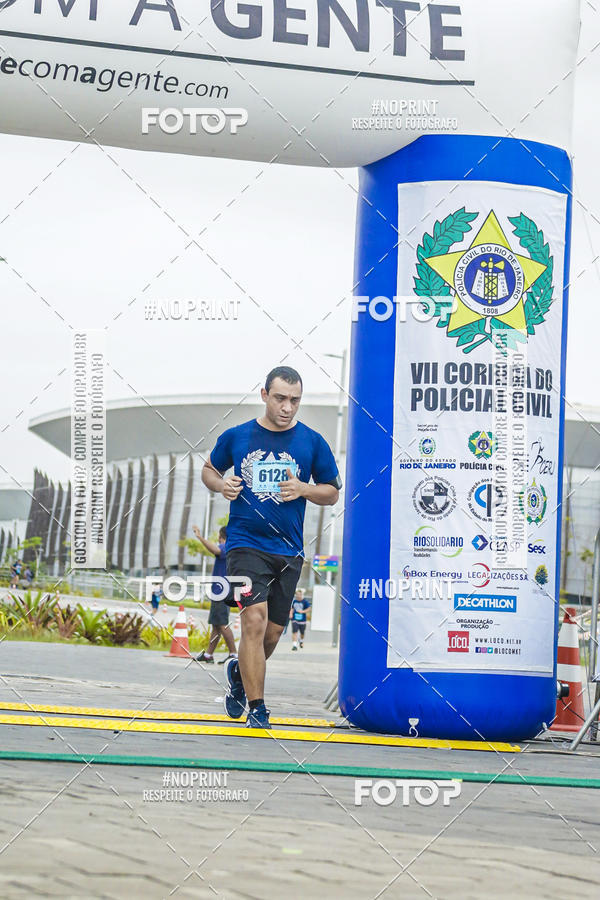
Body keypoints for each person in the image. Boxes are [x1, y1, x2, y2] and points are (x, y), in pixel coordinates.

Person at [202, 366, 341, 728]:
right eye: (280, 398)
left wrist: (305, 489)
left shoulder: (312, 442)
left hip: (289, 550)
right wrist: (221, 486)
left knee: (274, 632)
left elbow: (331, 491)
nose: (287, 407)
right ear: (264, 395)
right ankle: (258, 707)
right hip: (245, 545)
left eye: (295, 400)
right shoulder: (237, 436)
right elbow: (208, 470)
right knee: (253, 619)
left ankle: (238, 674)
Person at [192, 525, 237, 664]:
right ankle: (208, 655)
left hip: (221, 592)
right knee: (216, 625)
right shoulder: (231, 548)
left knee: (222, 624)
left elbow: (216, 550)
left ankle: (233, 654)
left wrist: (199, 537)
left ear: (221, 536)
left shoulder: (226, 547)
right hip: (221, 591)